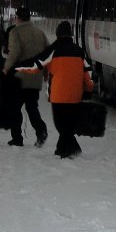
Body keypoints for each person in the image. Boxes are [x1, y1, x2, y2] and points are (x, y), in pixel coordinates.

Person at [31, 20, 93, 159]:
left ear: (58, 34)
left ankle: (72, 150)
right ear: (71, 34)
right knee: (68, 124)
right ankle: (61, 149)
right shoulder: (79, 51)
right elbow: (86, 74)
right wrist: (89, 88)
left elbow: (43, 68)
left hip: (58, 95)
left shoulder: (53, 52)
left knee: (61, 125)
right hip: (75, 95)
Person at [2, 7, 49, 147]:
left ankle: (17, 138)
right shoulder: (39, 32)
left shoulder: (15, 32)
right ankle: (41, 130)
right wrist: (45, 73)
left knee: (15, 108)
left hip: (20, 77)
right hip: (35, 76)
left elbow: (14, 53)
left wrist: (6, 68)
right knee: (31, 107)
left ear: (18, 18)